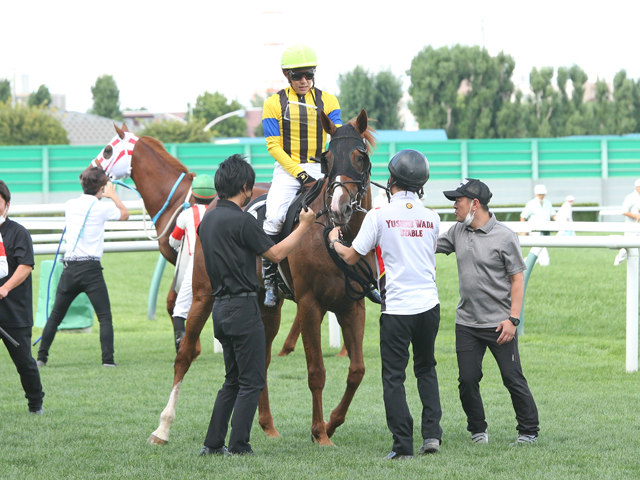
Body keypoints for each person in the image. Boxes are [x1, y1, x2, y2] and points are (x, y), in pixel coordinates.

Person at [197, 154, 316, 456]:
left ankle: (213, 444)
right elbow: (275, 254)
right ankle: (239, 445)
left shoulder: (207, 220)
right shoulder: (243, 221)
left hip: (220, 309)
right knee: (252, 381)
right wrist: (303, 226)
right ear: (246, 187)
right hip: (243, 308)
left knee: (232, 380)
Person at [328, 150, 442, 460]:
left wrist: (334, 239)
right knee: (426, 369)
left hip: (397, 309)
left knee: (394, 377)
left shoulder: (378, 215)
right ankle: (432, 435)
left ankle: (403, 446)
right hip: (429, 305)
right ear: (421, 184)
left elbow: (351, 256)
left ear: (391, 179)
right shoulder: (433, 217)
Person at [437, 178, 540, 446]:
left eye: (458, 201)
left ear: (475, 204)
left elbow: (517, 280)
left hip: (500, 324)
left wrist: (513, 320)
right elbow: (428, 245)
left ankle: (528, 431)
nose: (454, 206)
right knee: (467, 380)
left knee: (512, 378)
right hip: (467, 323)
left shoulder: (505, 236)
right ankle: (478, 430)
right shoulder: (457, 231)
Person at [260, 42, 342, 307]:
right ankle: (270, 279)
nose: (304, 80)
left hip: (320, 166)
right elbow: (273, 146)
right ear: (287, 75)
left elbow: (337, 135)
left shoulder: (329, 100)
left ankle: (363, 275)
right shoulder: (273, 103)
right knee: (274, 217)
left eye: (309, 74)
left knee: (346, 210)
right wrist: (299, 173)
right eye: (298, 75)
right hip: (287, 169)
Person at [37, 166, 129, 367]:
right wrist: (112, 195)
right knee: (104, 317)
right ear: (102, 188)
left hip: (70, 268)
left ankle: (41, 358)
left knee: (55, 316)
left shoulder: (70, 204)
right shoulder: (102, 208)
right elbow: (125, 214)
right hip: (91, 269)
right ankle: (108, 361)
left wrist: (101, 188)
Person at [0, 180, 45, 414]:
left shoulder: (18, 232)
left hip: (14, 310)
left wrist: (5, 288)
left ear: (7, 205)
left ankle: (35, 404)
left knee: (24, 362)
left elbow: (26, 265)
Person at [169, 174, 215, 353]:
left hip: (196, 265)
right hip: (222, 264)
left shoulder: (186, 214)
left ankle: (182, 351)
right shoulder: (219, 211)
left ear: (193, 196)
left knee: (180, 311)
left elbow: (173, 242)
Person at [520, 184, 556, 266]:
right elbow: (523, 216)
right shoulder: (531, 204)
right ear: (535, 194)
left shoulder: (548, 203)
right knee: (542, 249)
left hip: (546, 230)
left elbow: (553, 214)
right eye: (540, 194)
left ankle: (526, 261)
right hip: (535, 231)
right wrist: (524, 229)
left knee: (537, 250)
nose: (541, 196)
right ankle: (544, 263)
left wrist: (560, 220)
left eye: (543, 194)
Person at [614, 179, 640, 266]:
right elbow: (624, 211)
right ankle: (618, 260)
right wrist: (636, 216)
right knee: (627, 247)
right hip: (631, 227)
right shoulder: (630, 198)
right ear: (637, 187)